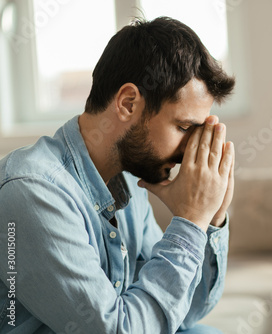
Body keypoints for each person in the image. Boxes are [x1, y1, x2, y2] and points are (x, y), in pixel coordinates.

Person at [0, 17, 235, 334]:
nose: (188, 149)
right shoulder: (32, 191)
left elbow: (181, 313)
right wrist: (190, 221)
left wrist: (211, 219)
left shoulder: (128, 181)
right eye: (183, 128)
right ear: (128, 103)